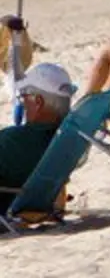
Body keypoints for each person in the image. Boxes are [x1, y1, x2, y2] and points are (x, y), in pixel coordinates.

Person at [0, 62, 75, 210]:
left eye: (24, 97)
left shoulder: (12, 141)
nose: (23, 103)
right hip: (34, 203)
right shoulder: (66, 140)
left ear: (38, 101)